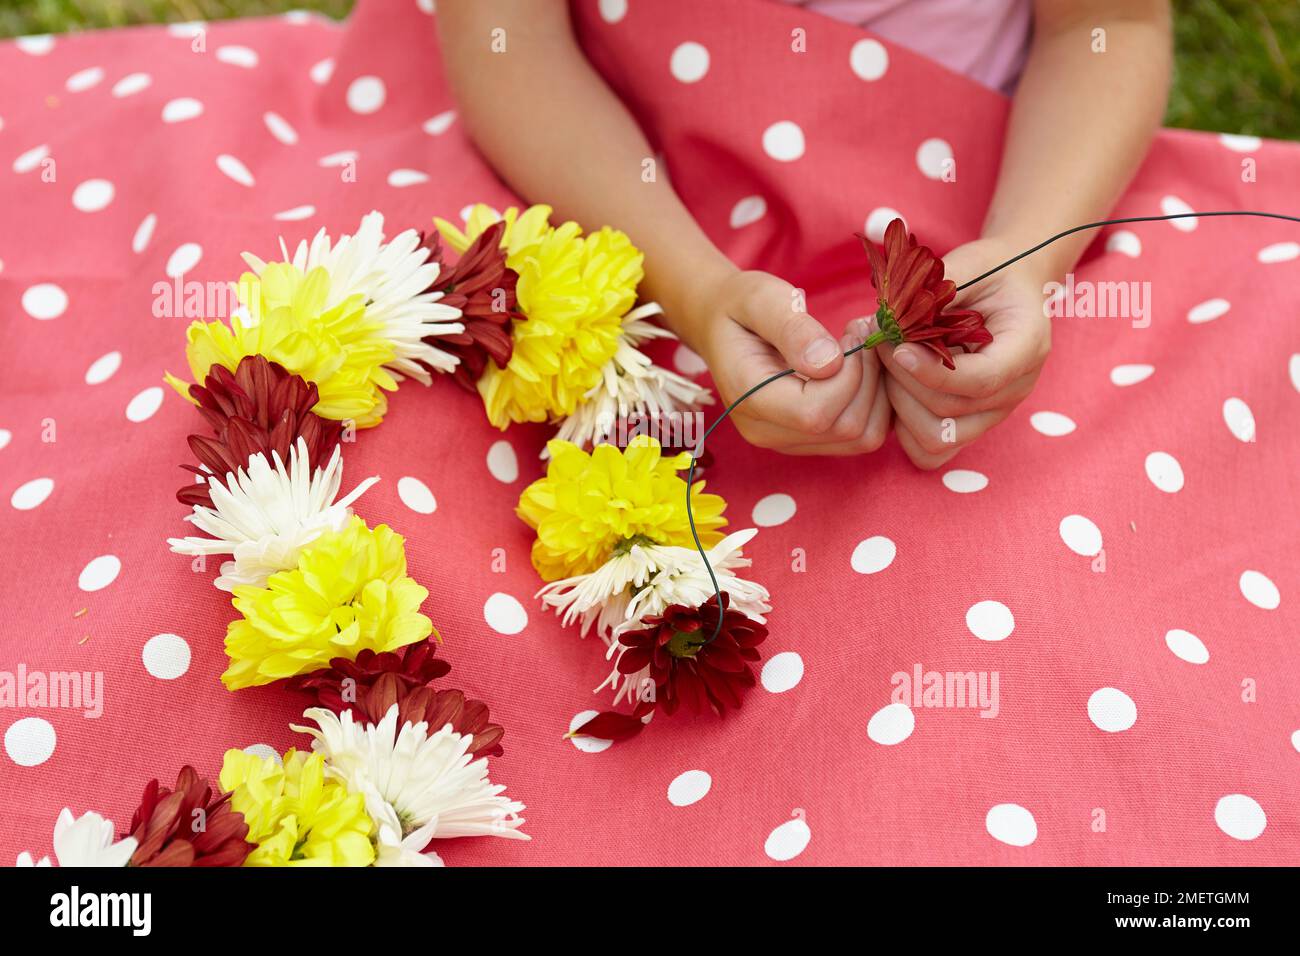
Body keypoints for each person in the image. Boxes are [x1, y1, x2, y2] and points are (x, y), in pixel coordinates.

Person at [438, 0, 1172, 467]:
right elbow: (512, 42)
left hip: (1008, 199)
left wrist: (1028, 256)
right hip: (598, 181)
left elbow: (1108, 28)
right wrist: (696, 292)